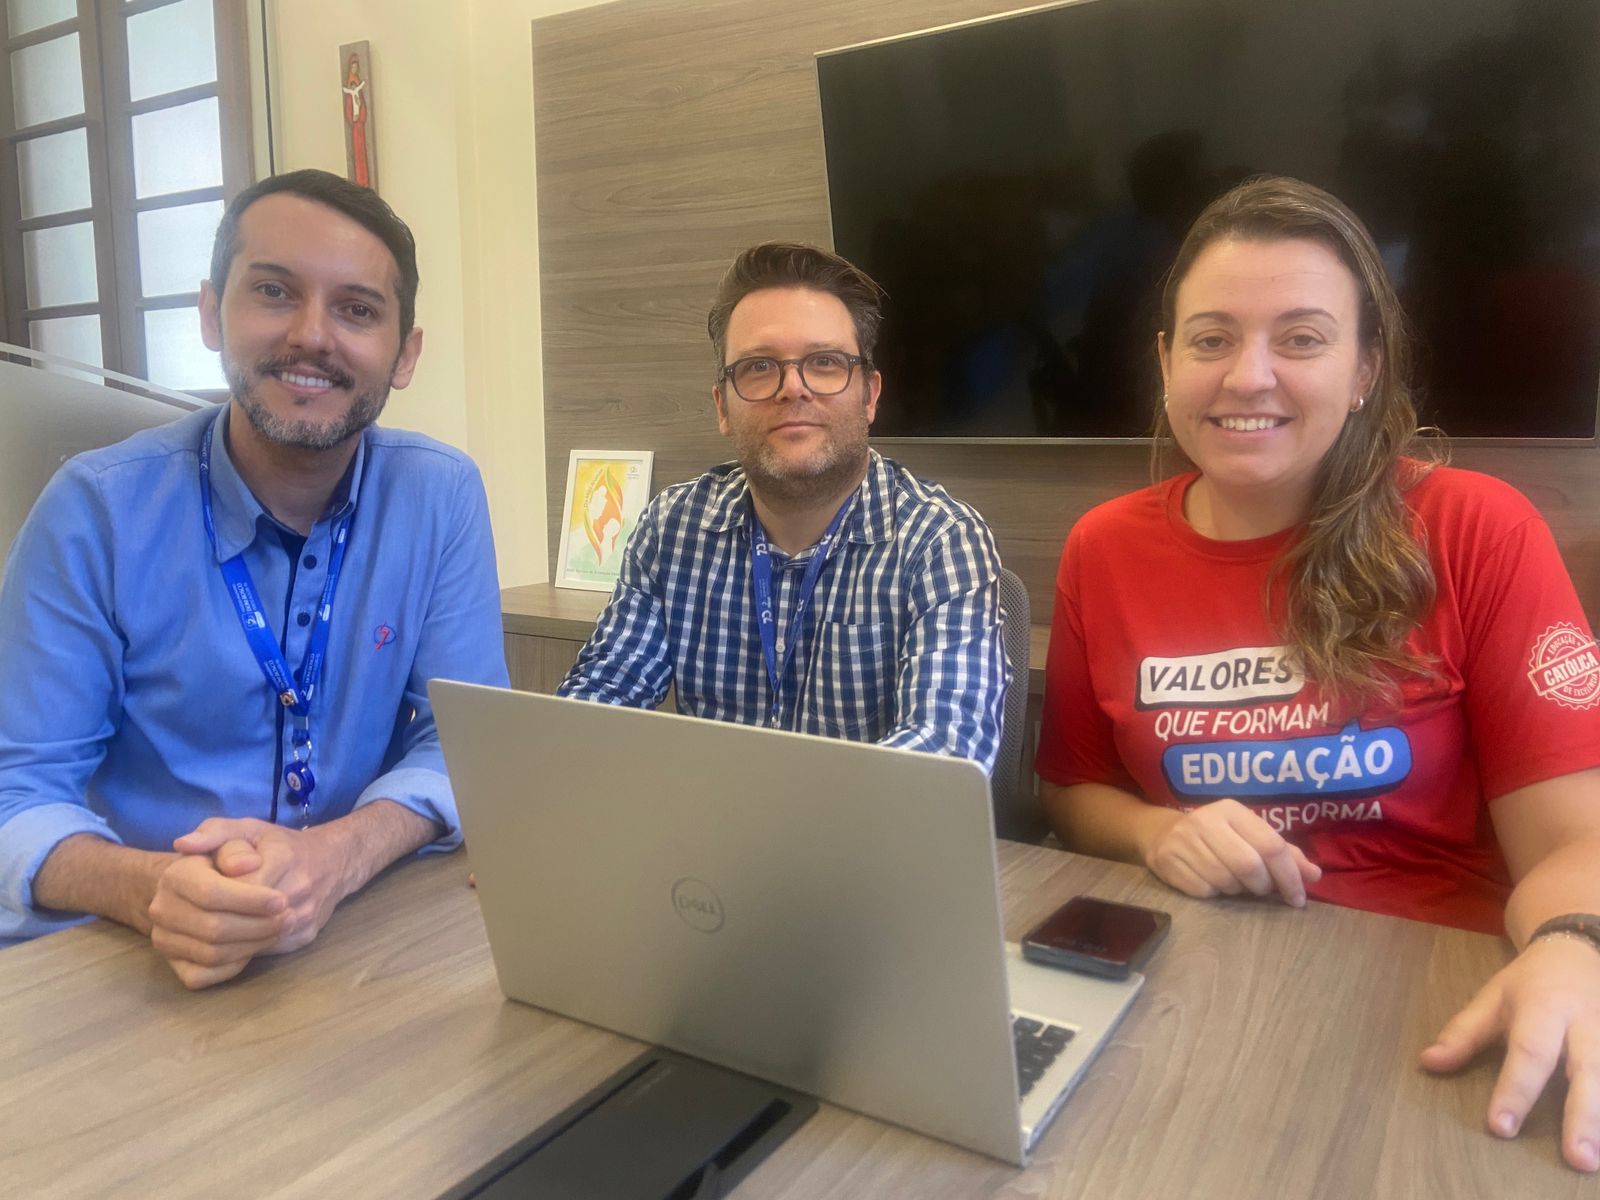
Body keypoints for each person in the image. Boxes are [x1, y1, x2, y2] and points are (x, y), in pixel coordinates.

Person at [1035, 176, 1600, 1172]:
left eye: (1299, 338)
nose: (1247, 375)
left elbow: (1576, 839)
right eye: (1209, 339)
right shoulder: (1101, 549)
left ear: (1363, 369)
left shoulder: (1474, 527)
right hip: (1195, 990)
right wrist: (1156, 831)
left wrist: (1572, 941)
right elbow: (1074, 791)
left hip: (1435, 990)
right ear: (1165, 364)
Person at [0, 169, 508, 987]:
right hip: (124, 962)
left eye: (357, 309)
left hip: (351, 940)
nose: (312, 335)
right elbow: (14, 793)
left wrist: (334, 857)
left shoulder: (439, 496)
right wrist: (152, 887)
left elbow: (465, 744)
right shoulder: (94, 510)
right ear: (212, 313)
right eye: (274, 291)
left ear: (404, 354)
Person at [558, 241, 1008, 771]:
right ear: (722, 406)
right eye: (758, 367)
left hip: (863, 850)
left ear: (869, 395)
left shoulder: (939, 541)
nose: (793, 388)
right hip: (705, 840)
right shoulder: (671, 528)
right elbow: (596, 706)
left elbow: (944, 758)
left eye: (824, 362)